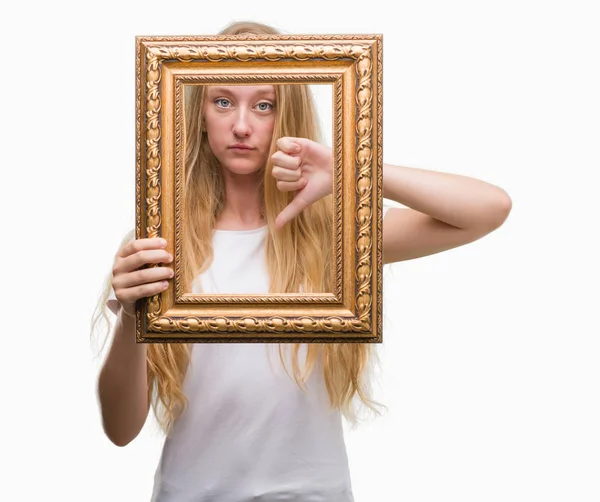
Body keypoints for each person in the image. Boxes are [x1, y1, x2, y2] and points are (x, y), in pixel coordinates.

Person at [91, 20, 512, 502]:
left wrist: (353, 165)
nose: (243, 125)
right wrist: (129, 316)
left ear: (285, 112)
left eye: (263, 104)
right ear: (199, 112)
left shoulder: (329, 232)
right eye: (223, 101)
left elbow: (488, 209)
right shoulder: (161, 240)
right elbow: (120, 429)